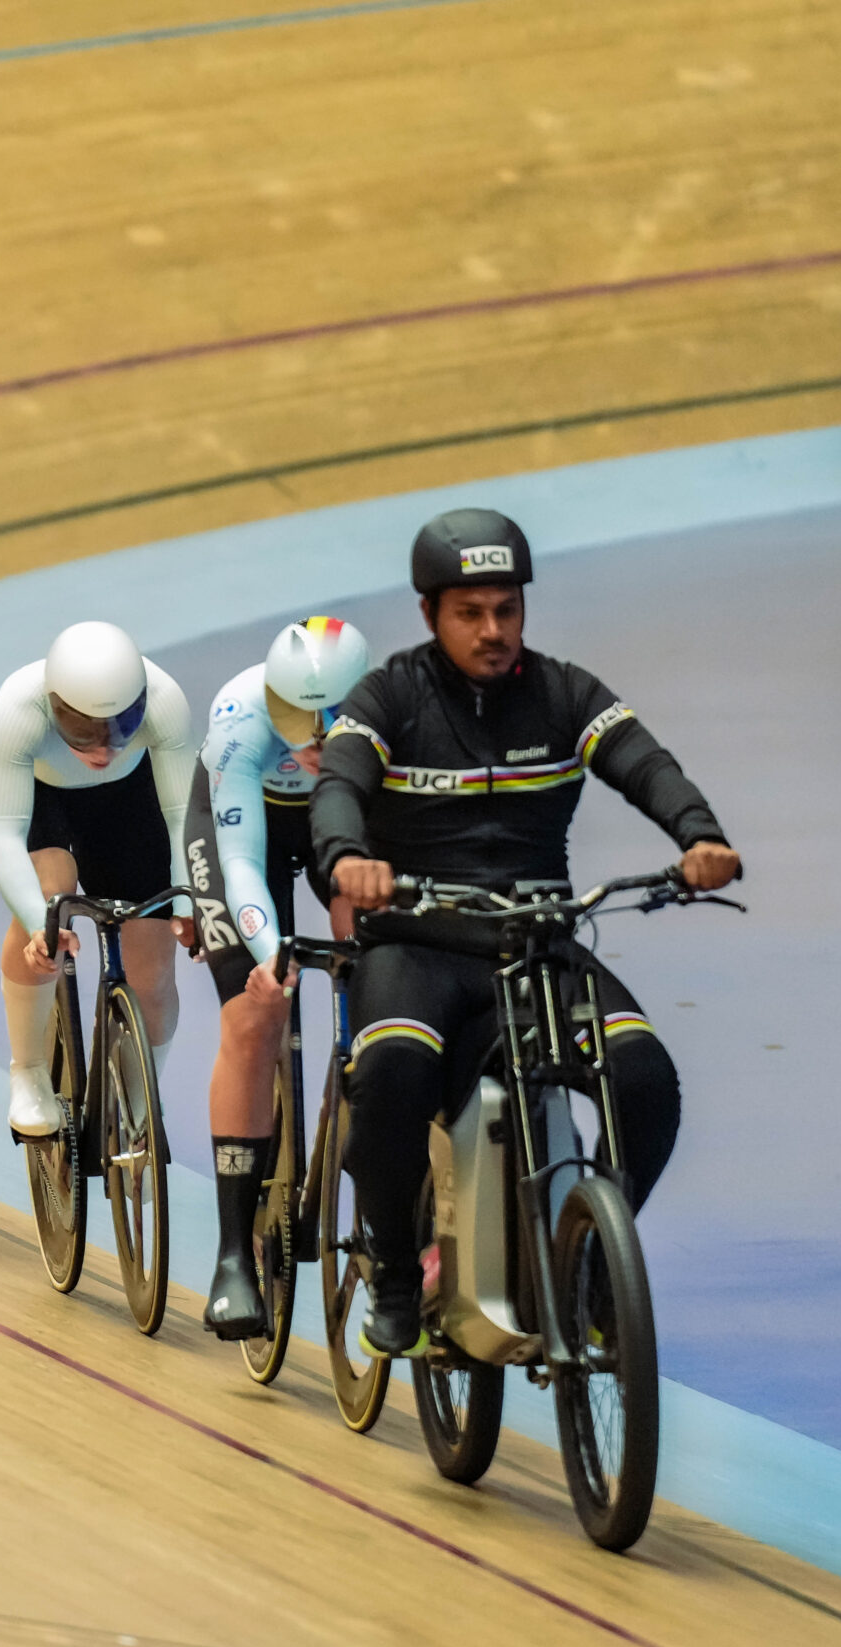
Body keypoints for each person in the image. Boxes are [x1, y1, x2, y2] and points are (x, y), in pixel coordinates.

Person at [310, 509, 743, 1357]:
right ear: (431, 612)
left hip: (536, 945)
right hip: (416, 945)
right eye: (471, 613)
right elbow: (338, 783)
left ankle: (587, 1257)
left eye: (507, 609)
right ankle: (395, 1270)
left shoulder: (564, 692)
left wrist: (698, 835)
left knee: (645, 1076)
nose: (494, 630)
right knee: (392, 1071)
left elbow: (643, 762)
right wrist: (346, 854)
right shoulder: (389, 696)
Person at [184, 617, 371, 1339]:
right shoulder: (242, 717)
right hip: (240, 825)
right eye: (299, 718)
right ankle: (234, 1254)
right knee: (252, 1015)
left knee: (381, 951)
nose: (314, 739)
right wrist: (270, 958)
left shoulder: (397, 721)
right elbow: (238, 865)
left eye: (331, 724)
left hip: (336, 826)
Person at [0, 621, 197, 1138]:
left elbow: (184, 817)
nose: (102, 748)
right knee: (52, 890)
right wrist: (36, 925)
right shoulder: (19, 708)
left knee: (154, 966)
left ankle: (139, 1106)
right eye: (84, 732)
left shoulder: (164, 702)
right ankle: (27, 1071)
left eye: (120, 728)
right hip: (33, 788)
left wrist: (187, 907)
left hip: (125, 794)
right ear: (55, 708)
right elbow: (5, 838)